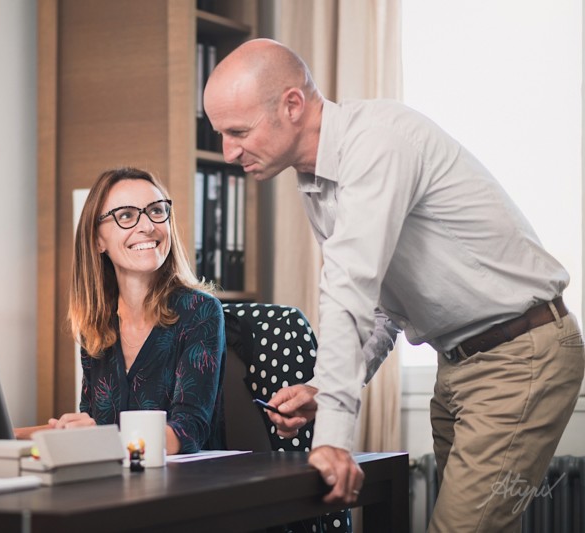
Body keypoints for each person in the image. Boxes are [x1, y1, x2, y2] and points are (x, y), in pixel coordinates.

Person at [203, 38, 585, 532]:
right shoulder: (316, 183)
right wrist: (324, 388)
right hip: (459, 364)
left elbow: (349, 289)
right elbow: (383, 308)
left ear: (292, 105)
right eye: (220, 135)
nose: (228, 151)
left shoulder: (376, 143)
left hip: (517, 353)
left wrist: (332, 439)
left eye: (238, 131)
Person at [18, 167, 226, 455]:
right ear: (97, 240)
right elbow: (92, 421)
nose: (148, 226)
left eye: (156, 211)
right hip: (117, 477)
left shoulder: (200, 311)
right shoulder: (96, 322)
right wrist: (4, 434)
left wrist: (97, 437)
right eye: (126, 215)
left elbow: (189, 430)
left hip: (186, 479)